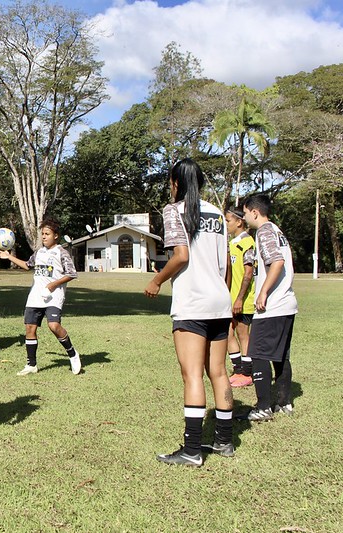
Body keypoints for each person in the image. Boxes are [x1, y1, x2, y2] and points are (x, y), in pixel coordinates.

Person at [144, 158, 234, 467]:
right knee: (219, 373)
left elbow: (180, 256)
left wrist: (156, 280)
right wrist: (223, 297)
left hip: (193, 304)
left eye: (170, 182)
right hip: (220, 303)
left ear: (177, 183)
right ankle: (224, 441)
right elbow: (228, 264)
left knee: (192, 374)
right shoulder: (217, 214)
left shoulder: (174, 211)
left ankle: (192, 449)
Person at [0, 218, 80, 376]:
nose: (43, 237)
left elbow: (72, 274)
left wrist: (55, 284)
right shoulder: (39, 252)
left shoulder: (62, 253)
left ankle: (73, 354)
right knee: (30, 328)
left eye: (47, 234)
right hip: (35, 296)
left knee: (54, 326)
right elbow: (28, 265)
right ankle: (31, 365)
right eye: (42, 234)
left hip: (53, 296)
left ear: (56, 236)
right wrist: (8, 257)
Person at [242, 194, 298, 421]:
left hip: (272, 306)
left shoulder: (264, 231)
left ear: (254, 212)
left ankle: (263, 406)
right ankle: (284, 403)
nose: (245, 218)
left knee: (258, 354)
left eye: (245, 213)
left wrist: (263, 291)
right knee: (281, 356)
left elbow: (277, 262)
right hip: (287, 305)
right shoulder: (277, 230)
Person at [224, 206, 255, 387]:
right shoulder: (232, 243)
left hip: (242, 300)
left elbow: (248, 273)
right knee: (228, 332)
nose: (226, 224)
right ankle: (238, 369)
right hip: (230, 298)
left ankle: (247, 373)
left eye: (228, 221)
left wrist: (239, 299)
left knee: (243, 334)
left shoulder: (247, 242)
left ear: (239, 222)